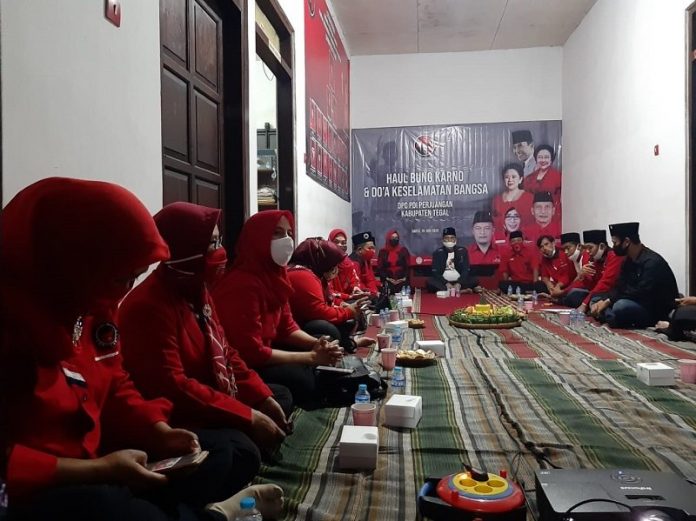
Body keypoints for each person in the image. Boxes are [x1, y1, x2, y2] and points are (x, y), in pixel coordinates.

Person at [0, 178, 283, 521]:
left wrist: (157, 431)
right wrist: (99, 470)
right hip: (37, 486)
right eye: (120, 277)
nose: (124, 290)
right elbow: (172, 382)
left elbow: (116, 385)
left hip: (101, 458)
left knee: (226, 451)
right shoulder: (16, 327)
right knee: (109, 504)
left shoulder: (89, 312)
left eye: (134, 277)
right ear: (71, 260)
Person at [119, 202, 293, 477]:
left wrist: (261, 398)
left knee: (278, 397)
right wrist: (246, 415)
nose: (221, 252)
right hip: (176, 413)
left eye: (219, 241)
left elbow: (226, 352)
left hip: (212, 390)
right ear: (184, 246)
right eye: (212, 244)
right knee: (237, 451)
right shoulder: (149, 306)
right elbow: (174, 387)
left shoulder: (197, 290)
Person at [212, 210, 343, 409]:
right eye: (277, 233)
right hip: (245, 363)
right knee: (302, 379)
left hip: (267, 350)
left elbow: (287, 327)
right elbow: (251, 352)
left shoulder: (277, 275)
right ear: (258, 238)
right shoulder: (242, 284)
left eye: (289, 233)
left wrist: (318, 344)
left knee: (322, 339)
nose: (287, 240)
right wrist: (311, 357)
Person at [287, 239, 372, 352]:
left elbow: (329, 297)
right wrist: (348, 311)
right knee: (328, 329)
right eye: (333, 264)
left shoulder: (313, 273)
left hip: (298, 326)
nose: (335, 269)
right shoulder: (303, 275)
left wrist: (343, 304)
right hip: (293, 331)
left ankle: (347, 344)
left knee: (348, 315)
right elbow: (319, 311)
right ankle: (341, 348)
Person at [590, 222, 679, 328]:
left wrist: (609, 301)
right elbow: (619, 286)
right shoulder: (628, 260)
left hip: (653, 308)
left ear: (626, 242)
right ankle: (610, 316)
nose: (613, 247)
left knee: (620, 306)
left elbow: (639, 292)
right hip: (633, 300)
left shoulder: (652, 262)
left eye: (615, 243)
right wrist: (604, 300)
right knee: (596, 298)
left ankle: (609, 316)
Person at [427, 227, 477, 293]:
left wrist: (459, 283)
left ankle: (452, 290)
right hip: (444, 282)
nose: (449, 240)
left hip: (459, 281)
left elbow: (465, 270)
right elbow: (436, 272)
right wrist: (446, 283)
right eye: (447, 238)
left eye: (452, 238)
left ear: (456, 240)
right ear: (442, 240)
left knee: (475, 280)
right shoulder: (437, 253)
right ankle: (459, 291)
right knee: (430, 282)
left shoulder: (462, 251)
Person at [491, 163, 534, 237]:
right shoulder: (497, 200)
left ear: (520, 179)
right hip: (502, 238)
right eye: (507, 177)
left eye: (513, 177)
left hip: (524, 237)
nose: (510, 180)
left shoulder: (529, 198)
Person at [467, 210, 505, 289]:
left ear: (493, 230)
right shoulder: (465, 253)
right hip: (472, 291)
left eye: (487, 228)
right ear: (473, 231)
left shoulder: (503, 252)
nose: (482, 232)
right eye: (478, 228)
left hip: (498, 291)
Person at [537, 234, 577, 300]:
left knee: (572, 296)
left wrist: (558, 286)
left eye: (546, 244)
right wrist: (549, 284)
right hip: (556, 284)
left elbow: (567, 276)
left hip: (569, 284)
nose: (544, 248)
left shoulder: (564, 253)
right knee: (538, 285)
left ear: (553, 243)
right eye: (541, 247)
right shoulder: (544, 258)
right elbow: (544, 276)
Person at [327, 228, 363, 301]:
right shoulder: (325, 264)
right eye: (336, 242)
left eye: (343, 243)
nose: (340, 245)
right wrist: (349, 297)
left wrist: (355, 288)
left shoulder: (348, 263)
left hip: (348, 299)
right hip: (332, 301)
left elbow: (354, 281)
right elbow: (328, 292)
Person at [376, 229, 410, 294]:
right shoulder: (383, 252)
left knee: (403, 292)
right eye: (393, 237)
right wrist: (388, 279)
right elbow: (380, 268)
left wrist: (402, 279)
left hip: (401, 280)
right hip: (387, 280)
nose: (395, 239)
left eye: (396, 238)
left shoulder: (403, 250)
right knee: (387, 292)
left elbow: (407, 267)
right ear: (388, 238)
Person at [349, 231, 380, 295]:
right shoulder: (353, 263)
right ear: (360, 250)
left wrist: (378, 288)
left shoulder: (365, 260)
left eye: (373, 248)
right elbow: (358, 284)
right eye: (370, 248)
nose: (373, 251)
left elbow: (370, 280)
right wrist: (373, 292)